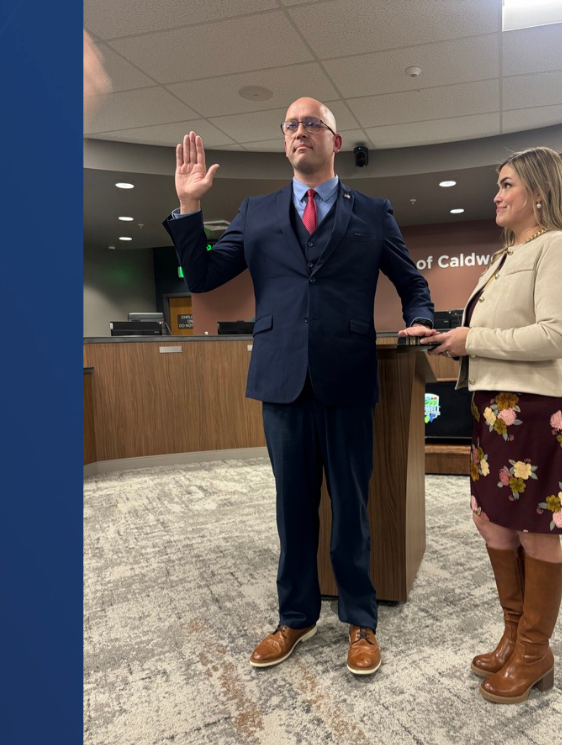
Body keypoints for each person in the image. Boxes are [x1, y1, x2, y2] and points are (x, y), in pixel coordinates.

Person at [164, 98, 437, 677]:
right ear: (284, 141)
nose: (299, 132)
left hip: (347, 377)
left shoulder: (373, 212)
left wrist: (421, 316)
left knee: (352, 508)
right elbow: (205, 278)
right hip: (281, 380)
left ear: (336, 141)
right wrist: (189, 208)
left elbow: (411, 281)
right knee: (292, 509)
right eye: (290, 126)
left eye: (312, 124)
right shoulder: (256, 212)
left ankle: (361, 619)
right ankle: (296, 616)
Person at [428, 147, 562, 703]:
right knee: (493, 523)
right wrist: (458, 345)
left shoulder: (561, 248)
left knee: (535, 532)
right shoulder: (503, 258)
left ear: (540, 191)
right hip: (495, 412)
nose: (496, 196)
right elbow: (500, 335)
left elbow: (556, 335)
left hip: (541, 413)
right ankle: (514, 632)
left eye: (506, 185)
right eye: (496, 187)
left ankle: (534, 651)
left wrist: (471, 340)